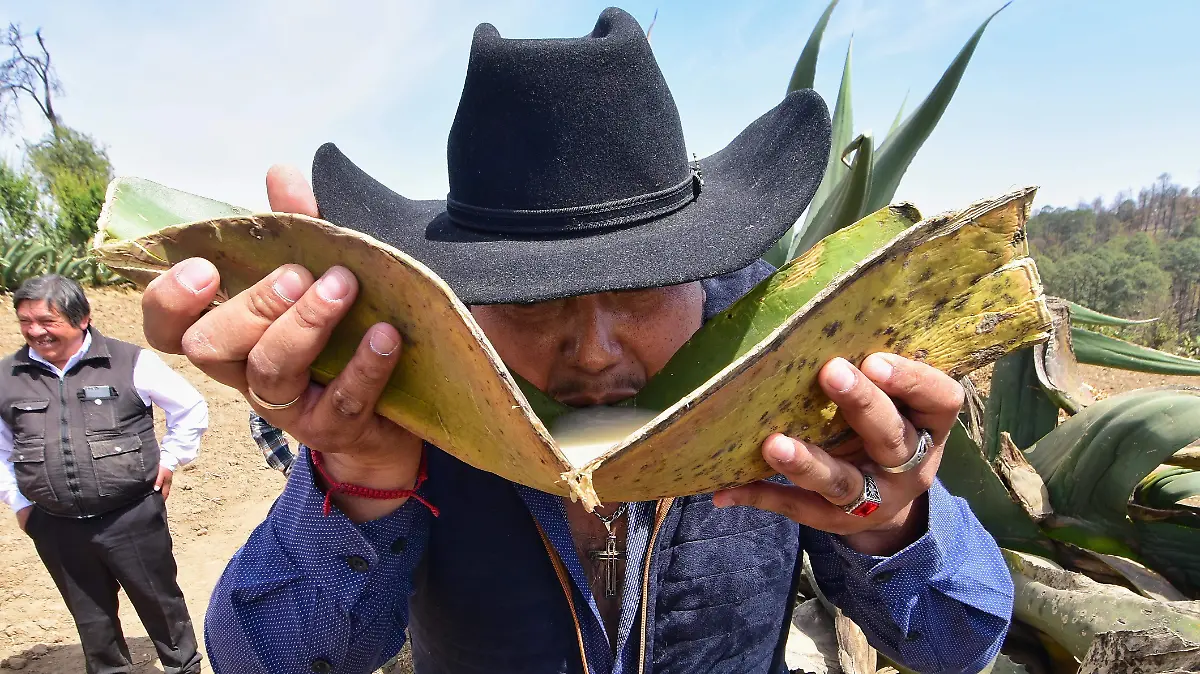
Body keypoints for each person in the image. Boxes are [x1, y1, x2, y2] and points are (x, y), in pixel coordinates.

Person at [144, 9, 1013, 674]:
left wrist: (891, 525)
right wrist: (362, 486)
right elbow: (265, 654)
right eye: (532, 302)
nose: (594, 352)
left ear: (704, 270)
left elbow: (959, 640)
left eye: (639, 293)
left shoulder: (789, 364)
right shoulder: (415, 386)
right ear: (470, 296)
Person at [0, 274, 208, 674]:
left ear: (82, 319)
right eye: (25, 321)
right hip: (55, 523)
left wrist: (170, 460)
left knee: (161, 603)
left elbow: (190, 407)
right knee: (92, 619)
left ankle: (183, 667)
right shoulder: (8, 376)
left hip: (131, 515)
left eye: (47, 321)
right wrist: (21, 501)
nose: (35, 331)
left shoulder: (129, 361)